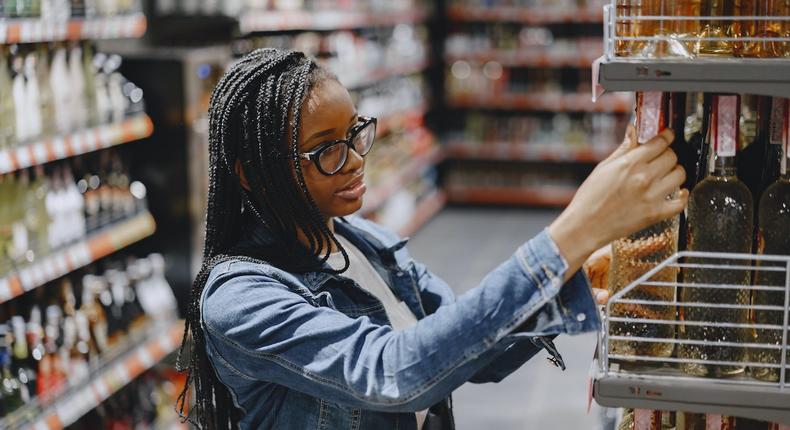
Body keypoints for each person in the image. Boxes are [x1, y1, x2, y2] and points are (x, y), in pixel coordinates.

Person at [175, 48, 688, 430]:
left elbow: (465, 346)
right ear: (250, 173)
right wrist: (572, 234)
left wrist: (572, 278)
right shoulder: (240, 300)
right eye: (324, 149)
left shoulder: (363, 242)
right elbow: (393, 371)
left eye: (356, 133)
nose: (355, 159)